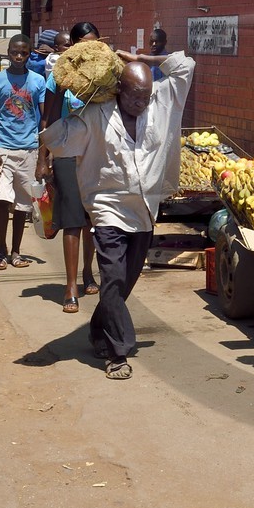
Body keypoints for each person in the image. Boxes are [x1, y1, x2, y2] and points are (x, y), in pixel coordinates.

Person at [42, 46, 194, 380]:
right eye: (134, 96)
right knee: (112, 279)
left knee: (123, 284)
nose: (140, 103)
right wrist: (59, 92)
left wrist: (143, 60)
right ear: (119, 90)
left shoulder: (162, 103)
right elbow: (58, 138)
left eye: (145, 96)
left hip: (144, 210)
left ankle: (99, 331)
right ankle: (117, 353)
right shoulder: (95, 115)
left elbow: (185, 66)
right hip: (107, 209)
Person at [37, 23, 100, 312]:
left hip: (96, 154)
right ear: (73, 44)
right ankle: (71, 285)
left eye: (94, 42)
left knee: (92, 221)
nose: (90, 48)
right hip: (66, 154)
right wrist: (42, 157)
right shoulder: (59, 76)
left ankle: (89, 272)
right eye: (84, 43)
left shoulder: (103, 75)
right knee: (72, 220)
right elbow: (48, 119)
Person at [0, 33, 46, 270]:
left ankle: (16, 251)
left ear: (29, 54)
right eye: (14, 52)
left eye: (23, 53)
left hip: (29, 150)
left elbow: (44, 119)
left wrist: (43, 156)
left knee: (22, 205)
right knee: (2, 200)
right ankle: (1, 249)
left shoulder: (37, 81)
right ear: (8, 53)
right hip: (3, 149)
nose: (19, 56)